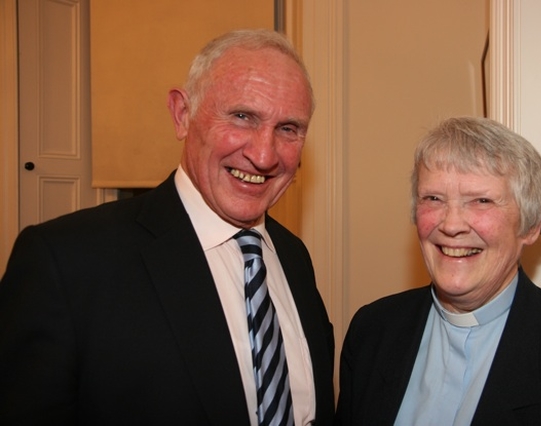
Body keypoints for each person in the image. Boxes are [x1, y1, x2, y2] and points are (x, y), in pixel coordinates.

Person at [0, 29, 334, 425]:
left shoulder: (293, 256)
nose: (264, 155)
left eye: (288, 128)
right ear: (182, 114)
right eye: (242, 116)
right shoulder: (65, 262)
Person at [334, 116, 541, 425]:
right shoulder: (372, 332)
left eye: (481, 200)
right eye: (433, 199)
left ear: (531, 225)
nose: (451, 224)